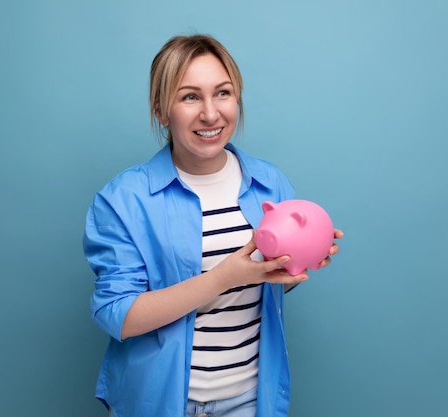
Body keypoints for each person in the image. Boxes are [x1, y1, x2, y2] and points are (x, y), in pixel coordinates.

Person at [83, 34, 343, 417]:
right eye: (190, 97)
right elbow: (117, 315)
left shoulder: (270, 185)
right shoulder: (123, 200)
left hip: (250, 400)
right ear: (160, 110)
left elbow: (263, 288)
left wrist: (295, 266)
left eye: (222, 93)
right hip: (160, 403)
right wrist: (224, 277)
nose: (210, 113)